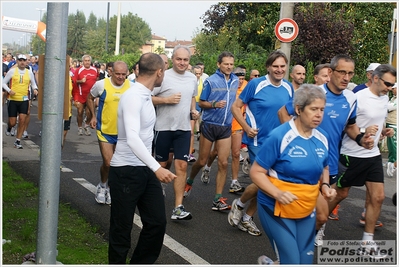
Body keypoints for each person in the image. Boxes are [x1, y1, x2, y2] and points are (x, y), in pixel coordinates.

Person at [108, 53, 176, 264]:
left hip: (145, 169)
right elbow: (132, 138)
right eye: (164, 69)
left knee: (156, 223)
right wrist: (157, 167)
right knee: (121, 230)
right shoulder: (132, 96)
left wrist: (152, 168)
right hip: (125, 171)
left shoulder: (145, 94)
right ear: (159, 72)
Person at [255, 84, 335, 264]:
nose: (319, 114)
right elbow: (256, 172)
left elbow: (324, 167)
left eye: (322, 109)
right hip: (275, 207)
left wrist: (325, 185)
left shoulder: (322, 137)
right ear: (298, 109)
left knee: (304, 262)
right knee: (292, 261)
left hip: (306, 207)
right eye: (313, 109)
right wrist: (278, 193)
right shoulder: (280, 136)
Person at [329, 64, 396, 256]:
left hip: (372, 155)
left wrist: (383, 131)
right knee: (340, 194)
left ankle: (367, 242)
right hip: (352, 154)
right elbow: (345, 125)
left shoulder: (384, 99)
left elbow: (377, 120)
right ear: (375, 78)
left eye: (392, 85)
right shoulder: (357, 98)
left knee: (378, 196)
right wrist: (364, 134)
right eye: (387, 84)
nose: (389, 88)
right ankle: (317, 226)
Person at [228, 50, 294, 236]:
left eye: (282, 66)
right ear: (268, 67)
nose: (279, 70)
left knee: (269, 181)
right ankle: (242, 208)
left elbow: (288, 114)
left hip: (278, 142)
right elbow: (235, 107)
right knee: (265, 180)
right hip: (257, 140)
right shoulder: (256, 84)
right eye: (276, 66)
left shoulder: (288, 87)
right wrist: (246, 128)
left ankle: (244, 212)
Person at [184, 51, 238, 211]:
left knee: (223, 162)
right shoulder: (211, 81)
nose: (229, 67)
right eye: (226, 64)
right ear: (218, 64)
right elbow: (201, 102)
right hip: (209, 124)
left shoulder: (236, 81)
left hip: (226, 127)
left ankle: (217, 199)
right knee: (201, 161)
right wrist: (214, 104)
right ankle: (190, 181)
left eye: (231, 64)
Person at [152, 45, 198, 220]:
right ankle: (152, 198)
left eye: (185, 60)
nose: (182, 63)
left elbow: (192, 97)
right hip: (163, 128)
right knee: (161, 166)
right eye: (179, 59)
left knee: (182, 166)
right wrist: (166, 100)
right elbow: (147, 98)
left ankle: (178, 207)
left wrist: (194, 111)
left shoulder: (192, 79)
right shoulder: (163, 77)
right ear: (173, 59)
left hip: (183, 129)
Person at [87, 61, 132, 205]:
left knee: (117, 164)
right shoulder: (101, 85)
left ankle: (111, 188)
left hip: (123, 132)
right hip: (105, 130)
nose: (120, 77)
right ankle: (102, 185)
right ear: (111, 72)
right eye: (117, 74)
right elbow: (90, 97)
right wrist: (93, 116)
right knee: (108, 163)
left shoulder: (132, 86)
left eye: (123, 74)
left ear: (127, 73)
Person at [200, 67, 247, 194]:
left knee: (236, 154)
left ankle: (234, 182)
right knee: (214, 152)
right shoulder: (225, 86)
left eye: (243, 78)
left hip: (237, 124)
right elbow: (204, 101)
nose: (241, 81)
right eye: (239, 78)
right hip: (221, 124)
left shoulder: (245, 87)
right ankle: (207, 168)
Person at [2, 54, 38, 149]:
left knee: (22, 120)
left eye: (24, 60)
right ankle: (10, 127)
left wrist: (35, 89)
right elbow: (3, 83)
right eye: (20, 60)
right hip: (13, 99)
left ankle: (17, 141)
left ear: (26, 62)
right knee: (13, 122)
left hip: (24, 100)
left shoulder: (29, 73)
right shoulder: (12, 72)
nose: (22, 62)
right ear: (17, 62)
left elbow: (34, 84)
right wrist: (9, 90)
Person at [72, 54, 98, 136]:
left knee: (90, 112)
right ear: (82, 62)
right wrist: (81, 81)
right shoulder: (79, 70)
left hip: (91, 95)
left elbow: (97, 80)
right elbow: (74, 81)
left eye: (88, 61)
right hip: (81, 94)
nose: (87, 62)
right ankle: (80, 128)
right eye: (85, 61)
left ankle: (86, 125)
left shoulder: (95, 70)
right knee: (80, 112)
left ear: (90, 61)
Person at [386, 83, 397, 177]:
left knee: (394, 146)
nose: (392, 90)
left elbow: (388, 107)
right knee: (392, 146)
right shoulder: (393, 98)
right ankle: (391, 162)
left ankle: (393, 163)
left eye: (394, 88)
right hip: (391, 124)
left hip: (395, 124)